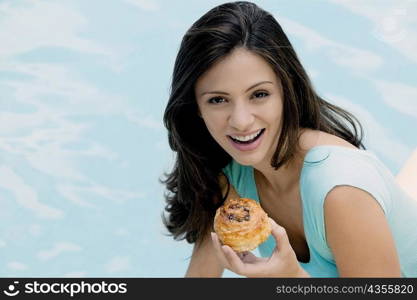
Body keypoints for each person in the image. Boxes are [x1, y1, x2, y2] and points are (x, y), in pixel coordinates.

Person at [161, 1, 417, 277]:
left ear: (287, 90)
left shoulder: (341, 191)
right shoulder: (232, 182)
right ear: (196, 109)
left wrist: (291, 277)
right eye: (218, 100)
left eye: (259, 94)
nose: (241, 120)